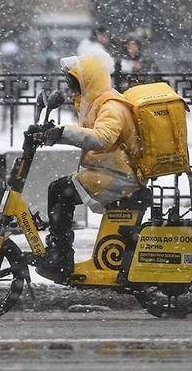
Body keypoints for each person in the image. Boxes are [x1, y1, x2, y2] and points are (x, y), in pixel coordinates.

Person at [34, 54, 143, 279]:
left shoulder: (111, 106)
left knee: (60, 191)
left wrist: (62, 133)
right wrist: (54, 130)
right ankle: (59, 249)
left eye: (72, 81)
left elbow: (101, 138)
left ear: (87, 80)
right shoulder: (98, 102)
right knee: (59, 188)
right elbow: (89, 132)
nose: (69, 86)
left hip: (121, 177)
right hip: (112, 172)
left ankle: (61, 256)